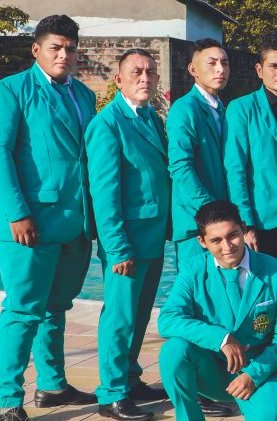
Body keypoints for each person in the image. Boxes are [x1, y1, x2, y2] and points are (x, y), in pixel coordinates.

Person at [0, 14, 97, 421]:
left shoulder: (85, 95)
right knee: (23, 309)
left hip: (75, 222)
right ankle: (7, 401)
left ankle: (52, 385)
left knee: (56, 307)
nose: (64, 55)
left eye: (70, 48)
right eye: (55, 47)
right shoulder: (9, 91)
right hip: (29, 222)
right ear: (36, 49)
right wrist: (17, 212)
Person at [85, 49, 170, 420]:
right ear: (118, 79)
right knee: (119, 318)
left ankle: (130, 378)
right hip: (127, 242)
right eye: (136, 72)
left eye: (151, 72)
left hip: (152, 237)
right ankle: (111, 393)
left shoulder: (150, 117)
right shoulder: (107, 124)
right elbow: (104, 193)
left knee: (139, 315)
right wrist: (118, 248)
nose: (145, 78)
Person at [157, 200, 277, 421]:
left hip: (259, 370)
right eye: (216, 240)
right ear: (202, 242)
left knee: (271, 416)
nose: (227, 246)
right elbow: (168, 319)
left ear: (244, 229)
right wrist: (222, 338)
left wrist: (254, 374)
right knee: (174, 350)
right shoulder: (192, 270)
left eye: (232, 235)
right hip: (211, 369)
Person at [224, 30, 277, 264]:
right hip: (262, 218)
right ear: (259, 70)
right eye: (274, 66)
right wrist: (245, 224)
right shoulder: (241, 109)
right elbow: (235, 170)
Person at [168, 38, 231, 262]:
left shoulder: (222, 109)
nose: (220, 69)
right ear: (193, 70)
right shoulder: (184, 109)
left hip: (222, 222)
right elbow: (180, 167)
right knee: (197, 282)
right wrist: (210, 210)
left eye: (224, 63)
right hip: (197, 224)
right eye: (212, 63)